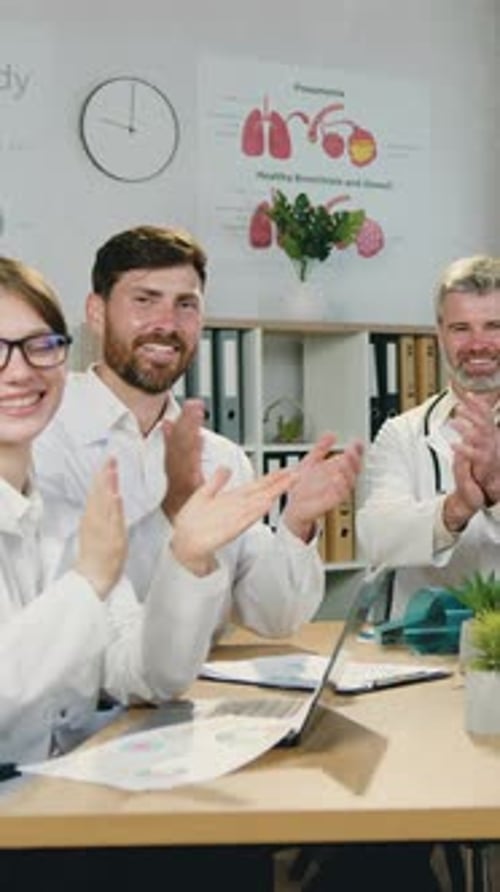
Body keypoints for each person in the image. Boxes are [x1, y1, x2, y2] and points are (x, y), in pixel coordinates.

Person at [0, 254, 300, 766]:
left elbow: (144, 675)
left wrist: (187, 559)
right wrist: (89, 581)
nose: (21, 372)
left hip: (58, 790)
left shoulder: (65, 518)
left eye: (40, 346)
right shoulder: (89, 551)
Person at [33, 225, 363, 684]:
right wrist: (174, 515)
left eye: (185, 304)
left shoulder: (221, 457)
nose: (167, 324)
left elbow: (275, 617)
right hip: (83, 705)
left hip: (195, 697)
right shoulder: (42, 436)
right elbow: (82, 620)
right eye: (145, 300)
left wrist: (297, 523)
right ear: (97, 312)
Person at [357, 254, 500, 618]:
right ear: (440, 334)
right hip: (421, 645)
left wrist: (495, 491)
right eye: (461, 328)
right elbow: (377, 539)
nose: (478, 344)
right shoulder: (402, 434)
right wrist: (455, 509)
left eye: (493, 326)